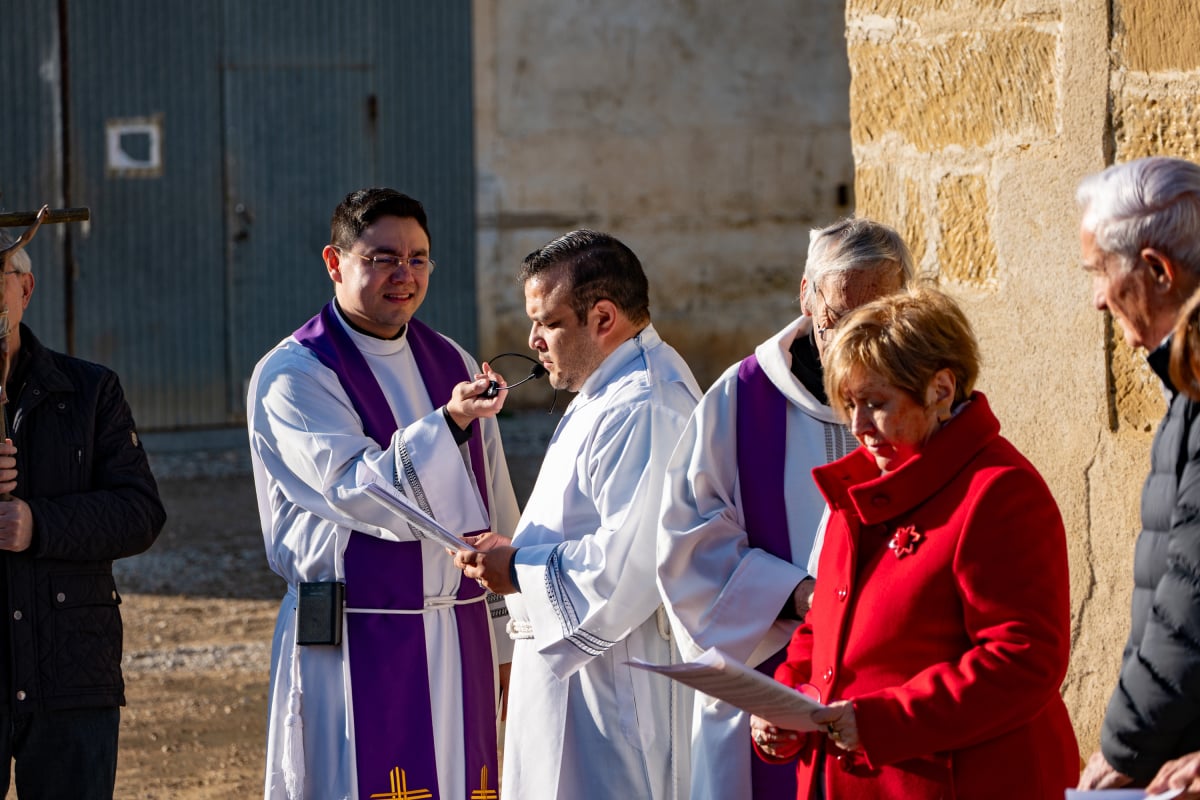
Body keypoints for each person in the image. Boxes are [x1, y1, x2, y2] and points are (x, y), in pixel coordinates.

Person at [751, 287, 1079, 799]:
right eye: (850, 405)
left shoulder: (999, 493)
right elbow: (824, 626)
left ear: (941, 390)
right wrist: (784, 702)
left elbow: (1023, 660)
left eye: (876, 404)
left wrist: (883, 722)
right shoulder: (860, 488)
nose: (858, 426)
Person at [247, 188, 520, 800]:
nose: (405, 275)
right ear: (334, 261)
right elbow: (358, 491)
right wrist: (448, 423)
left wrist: (508, 639)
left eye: (418, 258)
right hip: (355, 637)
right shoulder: (296, 373)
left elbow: (495, 498)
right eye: (383, 258)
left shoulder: (452, 360)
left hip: (460, 634)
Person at [657, 217, 911, 799]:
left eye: (876, 319)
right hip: (768, 679)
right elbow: (686, 543)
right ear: (806, 295)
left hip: (888, 681)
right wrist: (797, 594)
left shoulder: (922, 402)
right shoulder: (742, 399)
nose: (853, 341)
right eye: (837, 318)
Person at [452, 229, 702, 799]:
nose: (533, 340)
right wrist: (514, 554)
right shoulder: (607, 388)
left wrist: (517, 570)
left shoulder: (646, 404)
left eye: (548, 323)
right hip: (576, 675)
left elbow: (627, 566)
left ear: (604, 317)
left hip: (615, 696)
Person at [0, 226, 165, 798]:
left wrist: (38, 525)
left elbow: (140, 512)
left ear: (26, 289)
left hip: (71, 671)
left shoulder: (89, 391)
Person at [1075, 156, 1200, 791]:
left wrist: (1125, 746)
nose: (1098, 297)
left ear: (1157, 270)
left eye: (1102, 271)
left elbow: (1190, 597)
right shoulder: (1188, 387)